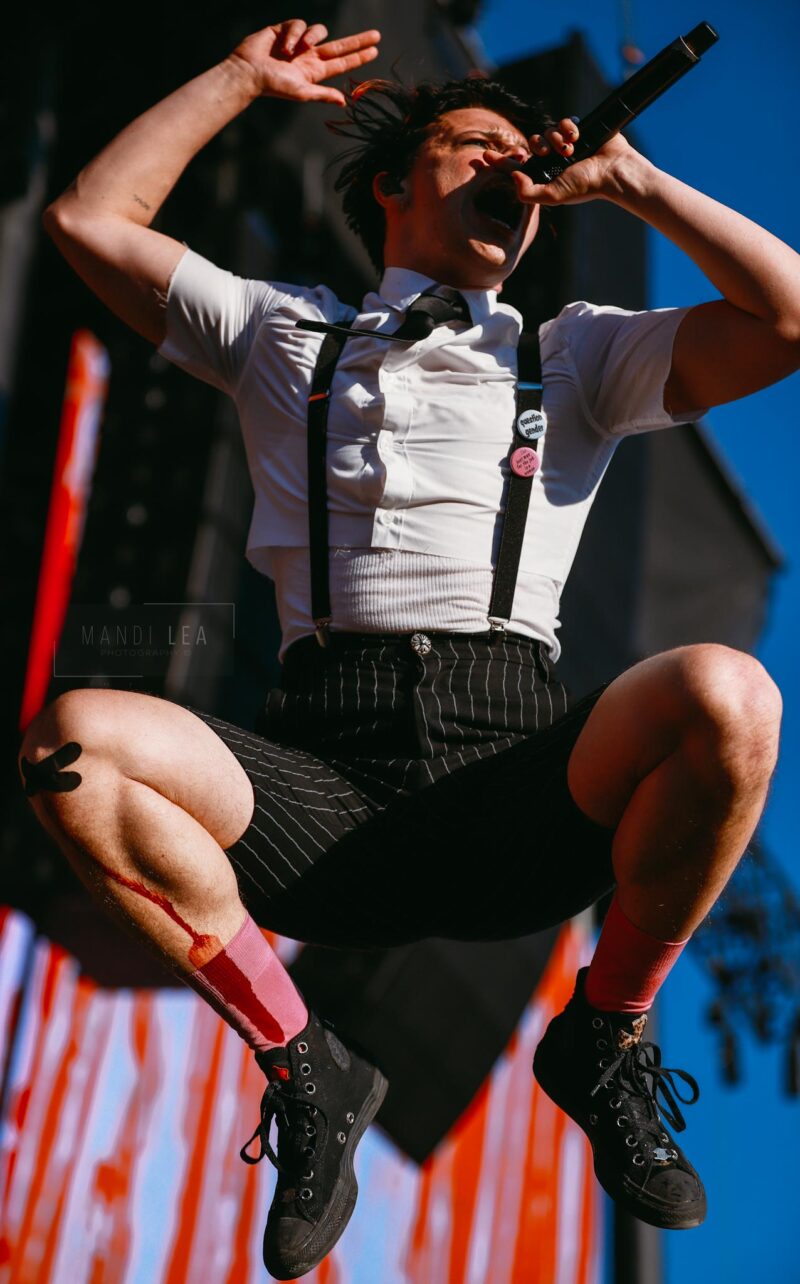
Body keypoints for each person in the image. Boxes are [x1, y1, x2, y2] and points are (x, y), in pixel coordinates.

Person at [18, 14, 797, 1278]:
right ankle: (304, 1064)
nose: (507, 165)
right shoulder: (282, 331)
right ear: (393, 184)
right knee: (72, 747)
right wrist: (237, 79)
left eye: (520, 155)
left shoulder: (575, 353)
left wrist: (635, 184)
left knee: (731, 695)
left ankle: (603, 1035)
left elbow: (789, 317)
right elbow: (87, 221)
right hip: (320, 804)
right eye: (472, 145)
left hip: (518, 792)